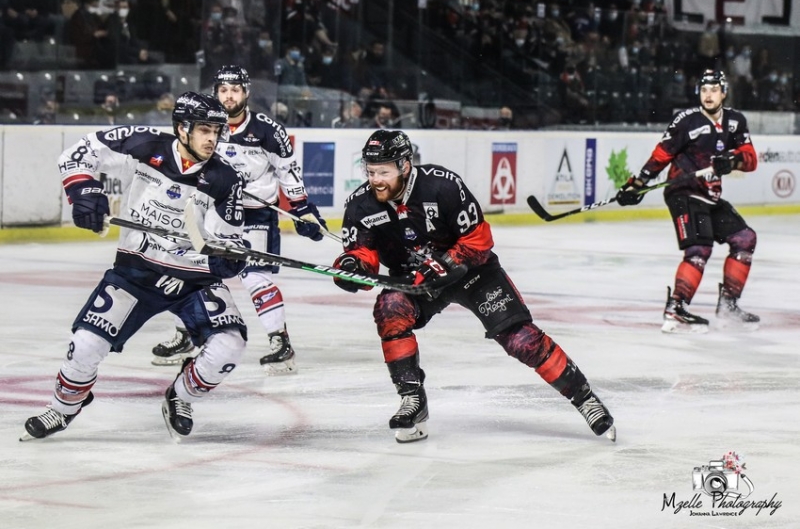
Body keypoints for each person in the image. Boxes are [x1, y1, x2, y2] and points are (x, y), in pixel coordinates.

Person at [331, 130, 615, 444]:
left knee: (521, 339)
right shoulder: (361, 205)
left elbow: (479, 240)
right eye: (370, 172)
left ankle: (584, 398)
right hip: (418, 280)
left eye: (383, 172)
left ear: (404, 165)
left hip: (473, 273)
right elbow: (363, 254)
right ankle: (413, 399)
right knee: (390, 309)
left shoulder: (443, 185)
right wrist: (352, 266)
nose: (376, 180)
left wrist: (446, 262)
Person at [21, 92, 249, 441]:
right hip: (135, 272)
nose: (211, 139)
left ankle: (181, 396)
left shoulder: (225, 179)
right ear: (181, 127)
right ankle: (64, 408)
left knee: (230, 344)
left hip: (191, 279)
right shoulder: (143, 144)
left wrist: (228, 257)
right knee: (85, 344)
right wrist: (83, 193)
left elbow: (229, 238)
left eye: (217, 131)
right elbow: (77, 154)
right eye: (204, 129)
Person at [151, 65, 328, 375]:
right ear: (216, 93)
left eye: (235, 90)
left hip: (256, 214)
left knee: (255, 276)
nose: (229, 96)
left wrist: (302, 209)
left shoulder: (268, 131)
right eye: (223, 90)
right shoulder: (205, 128)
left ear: (246, 93)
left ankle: (280, 342)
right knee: (191, 271)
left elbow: (288, 171)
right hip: (215, 212)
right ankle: (187, 336)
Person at [616, 69, 759, 333]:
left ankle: (728, 304)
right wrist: (636, 185)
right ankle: (676, 308)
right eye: (704, 90)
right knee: (699, 249)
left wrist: (734, 161)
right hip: (683, 192)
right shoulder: (686, 120)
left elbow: (750, 159)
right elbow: (661, 154)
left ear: (724, 92)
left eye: (714, 89)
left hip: (710, 196)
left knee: (745, 239)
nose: (708, 95)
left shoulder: (736, 121)